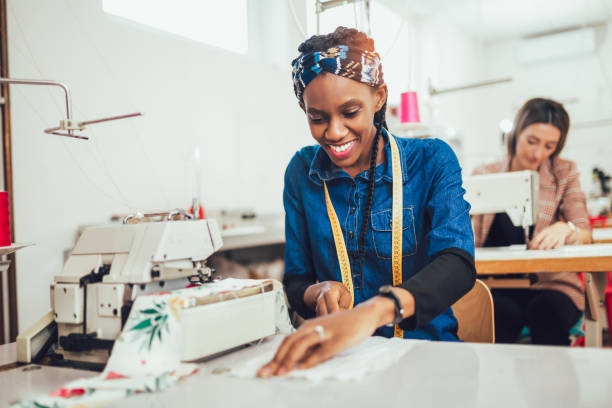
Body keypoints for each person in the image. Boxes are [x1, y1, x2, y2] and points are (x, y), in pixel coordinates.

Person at [257, 27, 475, 378]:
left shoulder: (432, 161)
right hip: (340, 365)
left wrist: (371, 313)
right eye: (318, 117)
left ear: (379, 98)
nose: (334, 132)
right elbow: (296, 281)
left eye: (350, 111)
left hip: (426, 360)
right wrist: (318, 292)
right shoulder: (301, 172)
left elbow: (458, 265)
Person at [472, 98, 593, 345]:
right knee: (497, 319)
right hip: (496, 285)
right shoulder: (485, 175)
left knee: (546, 314)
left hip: (552, 285)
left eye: (549, 146)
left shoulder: (564, 173)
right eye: (532, 141)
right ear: (517, 133)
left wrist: (566, 229)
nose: (538, 153)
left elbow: (584, 232)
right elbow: (465, 233)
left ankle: (551, 384)